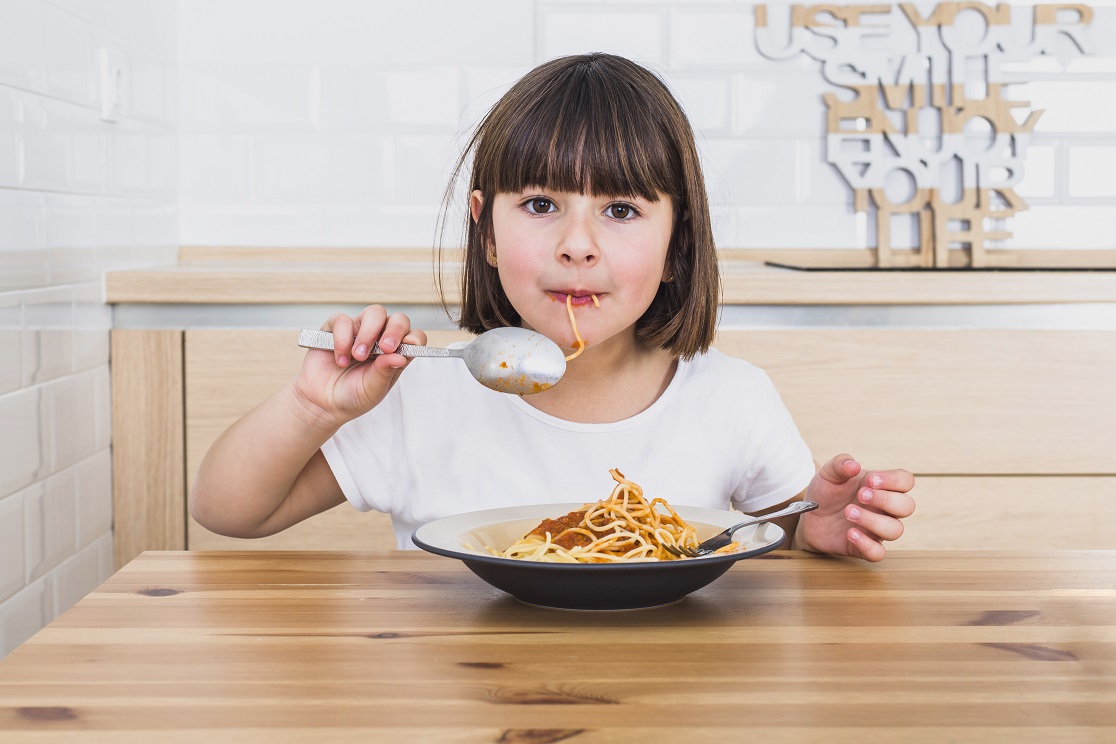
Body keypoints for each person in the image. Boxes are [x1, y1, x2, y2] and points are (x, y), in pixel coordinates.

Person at [191, 53, 915, 562]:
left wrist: (811, 529)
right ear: (487, 230)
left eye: (622, 210)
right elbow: (229, 512)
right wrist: (314, 407)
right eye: (540, 204)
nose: (577, 245)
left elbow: (765, 533)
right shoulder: (422, 391)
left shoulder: (731, 398)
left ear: (678, 242)